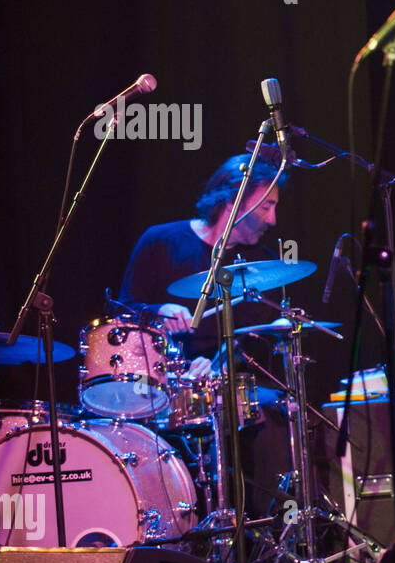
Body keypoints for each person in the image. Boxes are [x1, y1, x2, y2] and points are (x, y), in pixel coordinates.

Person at [119, 154, 290, 518]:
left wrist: (217, 365)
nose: (273, 219)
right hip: (160, 382)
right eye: (267, 205)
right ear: (232, 201)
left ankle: (263, 531)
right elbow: (124, 308)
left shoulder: (259, 262)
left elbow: (255, 337)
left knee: (275, 410)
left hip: (227, 380)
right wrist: (158, 312)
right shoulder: (161, 240)